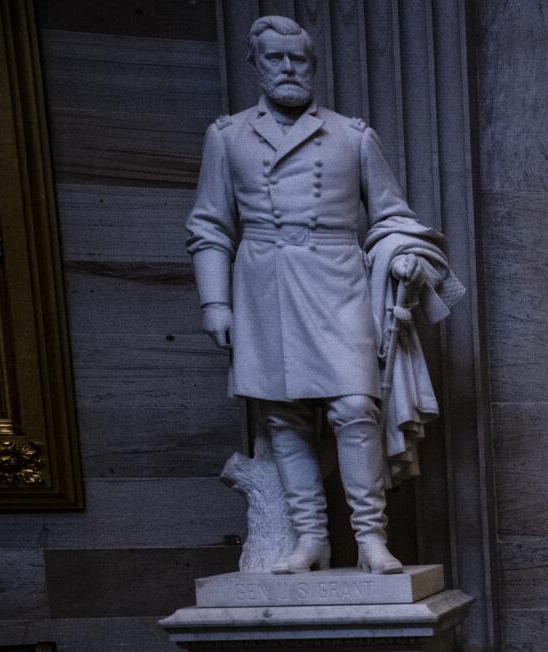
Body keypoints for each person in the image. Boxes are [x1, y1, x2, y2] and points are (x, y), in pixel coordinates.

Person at [187, 15, 460, 575]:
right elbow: (210, 225)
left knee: (356, 408)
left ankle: (370, 539)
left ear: (312, 65)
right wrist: (216, 303)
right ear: (255, 65)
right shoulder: (228, 136)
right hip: (264, 286)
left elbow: (392, 215)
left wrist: (403, 254)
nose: (289, 69)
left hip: (337, 283)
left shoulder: (352, 136)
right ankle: (311, 538)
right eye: (276, 59)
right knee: (283, 417)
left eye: (299, 60)